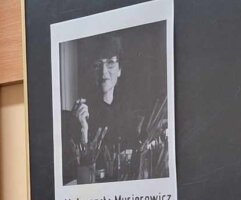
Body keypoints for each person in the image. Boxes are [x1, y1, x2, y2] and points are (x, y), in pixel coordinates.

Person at [62, 33, 167, 184]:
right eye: (98, 64)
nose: (104, 72)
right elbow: (79, 174)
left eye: (110, 63)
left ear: (119, 70)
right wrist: (82, 131)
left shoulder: (132, 114)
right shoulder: (80, 114)